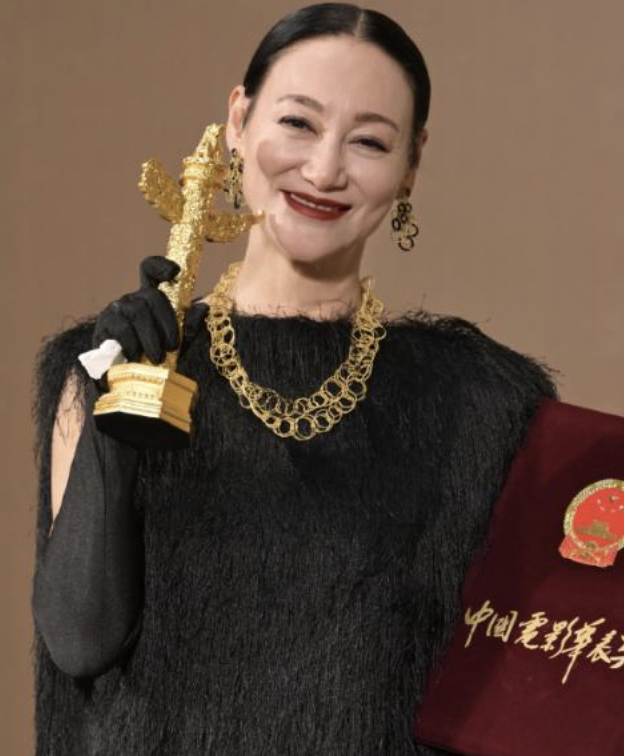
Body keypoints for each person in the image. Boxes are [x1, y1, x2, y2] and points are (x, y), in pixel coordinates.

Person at [30, 3, 559, 755]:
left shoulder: (486, 403)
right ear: (238, 121)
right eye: (298, 123)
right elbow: (80, 644)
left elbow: (531, 683)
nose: (324, 170)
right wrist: (117, 414)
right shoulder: (101, 363)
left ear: (411, 162)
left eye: (369, 140)